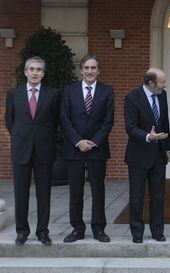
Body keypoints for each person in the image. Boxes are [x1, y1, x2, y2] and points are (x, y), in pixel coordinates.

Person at [5, 56, 59, 246]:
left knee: (44, 193)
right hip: (21, 150)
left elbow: (56, 121)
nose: (35, 73)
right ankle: (22, 231)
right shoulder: (14, 93)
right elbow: (9, 121)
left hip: (44, 149)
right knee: (21, 193)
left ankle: (43, 231)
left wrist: (42, 137)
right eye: (32, 69)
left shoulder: (53, 94)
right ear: (26, 72)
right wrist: (21, 137)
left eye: (39, 70)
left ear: (43, 73)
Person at [60, 54, 114, 243]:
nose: (90, 71)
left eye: (93, 68)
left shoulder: (107, 91)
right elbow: (64, 120)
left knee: (98, 189)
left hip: (97, 149)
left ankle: (99, 229)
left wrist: (93, 142)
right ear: (81, 70)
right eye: (86, 68)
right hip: (74, 149)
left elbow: (108, 121)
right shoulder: (69, 90)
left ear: (98, 71)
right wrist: (78, 141)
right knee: (76, 190)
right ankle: (77, 228)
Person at [124, 68, 170, 243]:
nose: (164, 85)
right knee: (137, 196)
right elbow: (130, 127)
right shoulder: (132, 98)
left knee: (158, 196)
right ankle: (137, 232)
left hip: (158, 155)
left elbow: (164, 122)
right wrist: (148, 137)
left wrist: (167, 148)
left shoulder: (162, 95)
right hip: (138, 155)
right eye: (162, 82)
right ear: (151, 83)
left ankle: (157, 231)